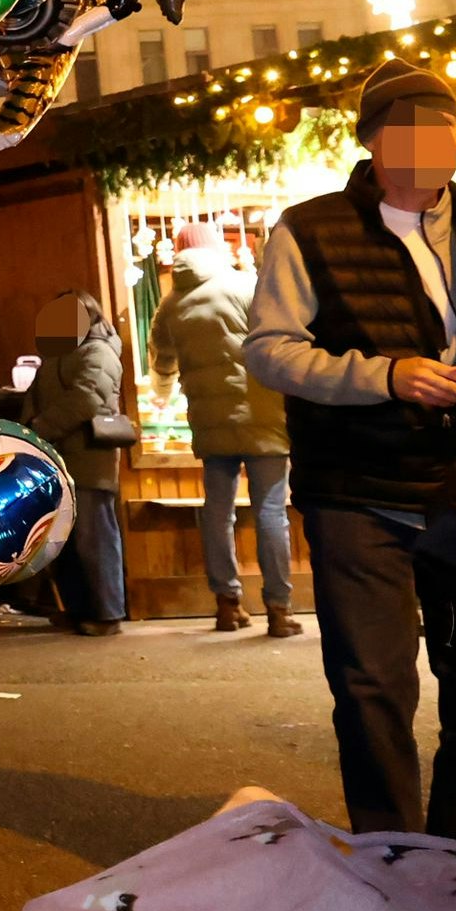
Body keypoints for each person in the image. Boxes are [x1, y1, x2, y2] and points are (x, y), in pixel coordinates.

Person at [240, 58, 456, 842]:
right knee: (373, 686)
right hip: (359, 491)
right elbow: (270, 350)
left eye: (443, 130)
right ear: (375, 145)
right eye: (411, 131)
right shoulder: (309, 228)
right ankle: (391, 847)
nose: (430, 146)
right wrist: (386, 376)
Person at [153, 222, 296, 636]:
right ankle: (279, 609)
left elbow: (162, 361)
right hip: (263, 416)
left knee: (218, 512)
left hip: (210, 422)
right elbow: (277, 344)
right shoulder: (246, 286)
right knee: (271, 511)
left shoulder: (171, 303)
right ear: (217, 249)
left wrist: (163, 392)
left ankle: (227, 604)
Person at [22, 290, 133, 637]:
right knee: (64, 539)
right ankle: (78, 607)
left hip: (88, 457)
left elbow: (88, 398)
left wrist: (40, 428)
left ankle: (107, 613)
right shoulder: (62, 353)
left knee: (94, 538)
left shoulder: (99, 351)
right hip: (59, 456)